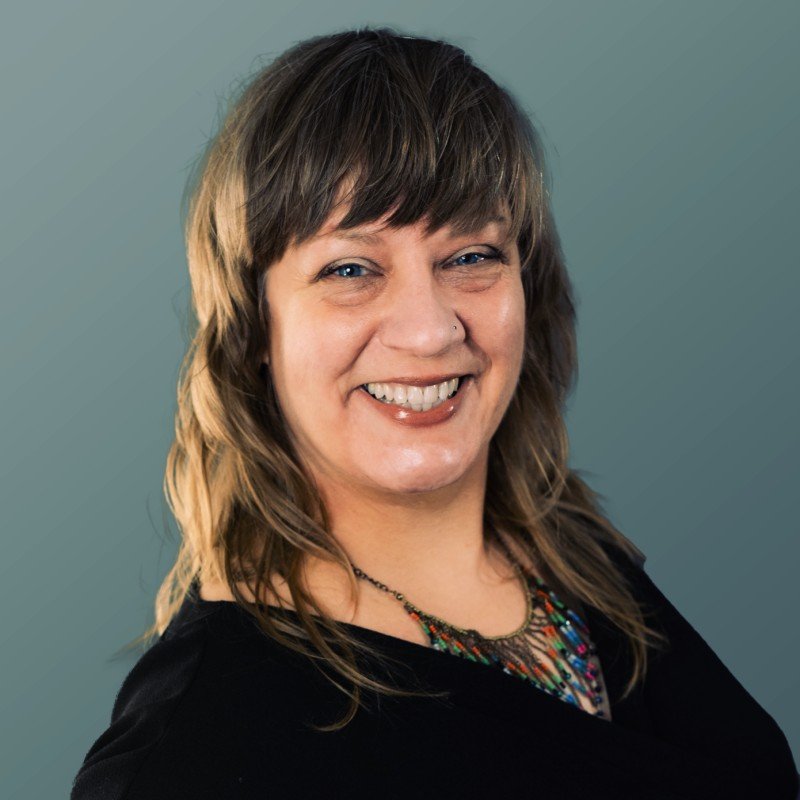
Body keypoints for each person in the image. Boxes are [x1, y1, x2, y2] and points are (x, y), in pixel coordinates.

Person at [70, 26, 798, 799]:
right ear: (255, 327)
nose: (430, 328)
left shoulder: (581, 562)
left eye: (471, 257)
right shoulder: (194, 748)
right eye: (350, 269)